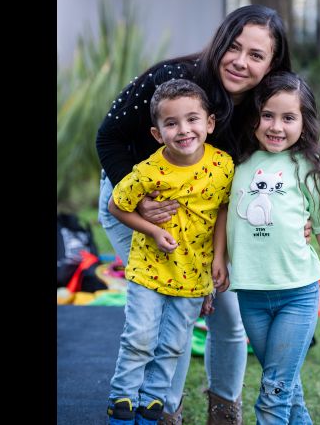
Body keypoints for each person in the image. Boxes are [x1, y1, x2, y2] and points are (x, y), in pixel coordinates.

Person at [96, 4, 303, 424]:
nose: (240, 61)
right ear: (220, 41)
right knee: (169, 312)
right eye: (234, 47)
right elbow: (109, 136)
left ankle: (224, 409)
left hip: (212, 218)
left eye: (256, 55)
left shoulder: (266, 106)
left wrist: (301, 211)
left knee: (229, 314)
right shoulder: (173, 79)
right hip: (140, 209)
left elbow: (287, 156)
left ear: (272, 64)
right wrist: (137, 201)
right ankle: (163, 410)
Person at [227, 71, 320, 424]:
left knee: (273, 391)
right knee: (286, 387)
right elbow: (220, 217)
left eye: (289, 117)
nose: (276, 126)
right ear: (254, 116)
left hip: (298, 295)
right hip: (250, 296)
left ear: (304, 122)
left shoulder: (309, 168)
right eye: (267, 115)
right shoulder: (235, 163)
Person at [105, 79, 233, 425]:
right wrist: (153, 230)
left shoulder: (222, 166)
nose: (184, 130)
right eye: (172, 123)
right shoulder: (148, 171)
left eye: (192, 119)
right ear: (157, 133)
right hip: (149, 269)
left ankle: (152, 402)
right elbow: (116, 206)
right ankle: (122, 399)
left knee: (175, 344)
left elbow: (223, 209)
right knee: (140, 337)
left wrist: (219, 258)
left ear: (209, 123)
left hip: (193, 274)